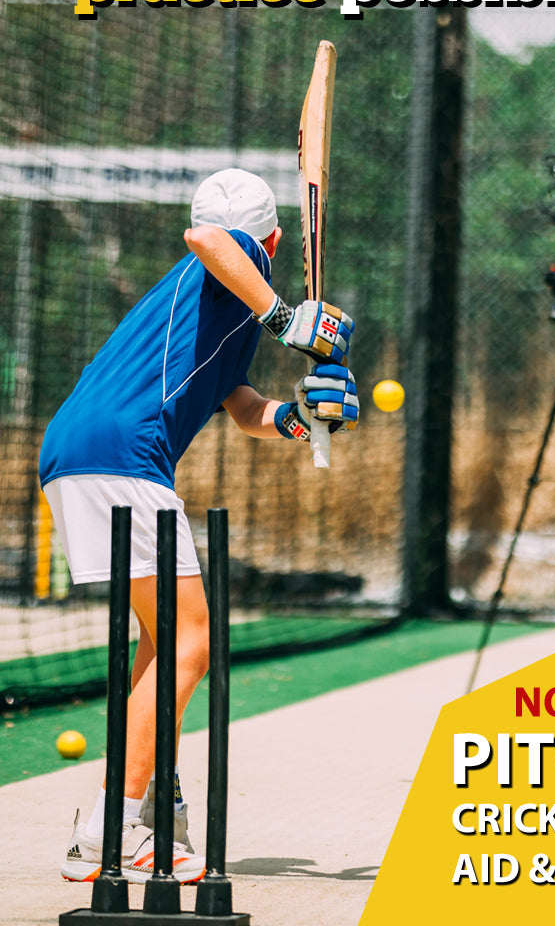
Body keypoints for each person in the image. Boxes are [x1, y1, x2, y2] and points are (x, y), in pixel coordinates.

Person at [39, 168, 359, 883]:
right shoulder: (229, 264)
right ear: (275, 240)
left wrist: (299, 418)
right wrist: (286, 318)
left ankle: (148, 811)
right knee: (192, 640)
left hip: (84, 450)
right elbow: (208, 239)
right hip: (123, 454)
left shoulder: (220, 308)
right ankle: (109, 829)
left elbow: (240, 405)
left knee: (163, 642)